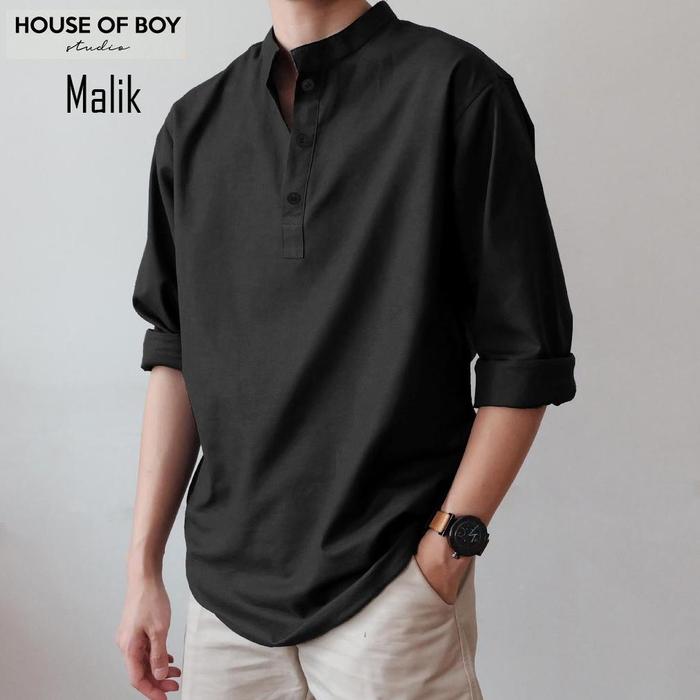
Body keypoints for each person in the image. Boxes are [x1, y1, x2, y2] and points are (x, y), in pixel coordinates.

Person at [116, 1, 576, 698]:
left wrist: (446, 553)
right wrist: (143, 568)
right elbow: (176, 354)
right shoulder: (194, 124)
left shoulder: (459, 89)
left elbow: (526, 355)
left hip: (391, 587)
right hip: (223, 604)